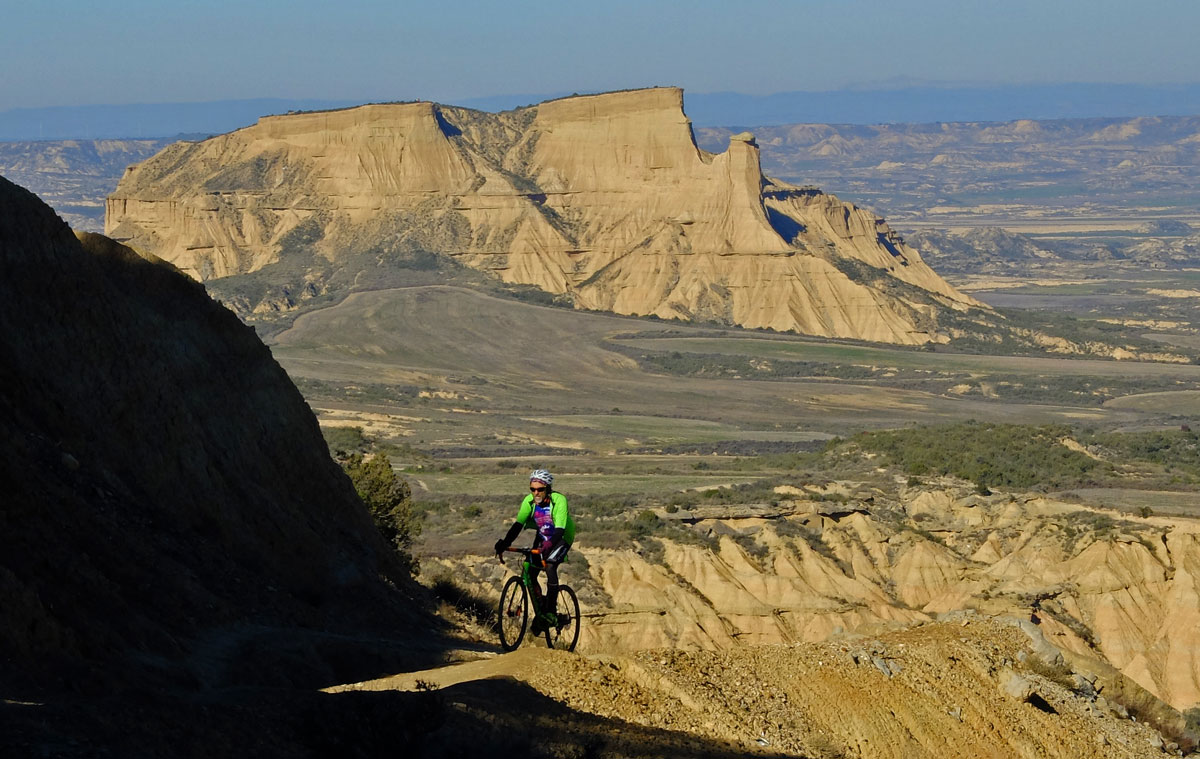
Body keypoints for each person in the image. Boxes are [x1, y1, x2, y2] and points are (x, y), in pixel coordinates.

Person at [494, 469, 576, 633]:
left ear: (548, 488)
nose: (536, 493)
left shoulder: (559, 500)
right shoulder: (529, 501)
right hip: (543, 535)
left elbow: (560, 529)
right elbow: (518, 525)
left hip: (561, 537)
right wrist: (505, 543)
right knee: (530, 571)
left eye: (540, 489)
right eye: (533, 489)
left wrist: (549, 545)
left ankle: (550, 611)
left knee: (550, 565)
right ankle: (541, 610)